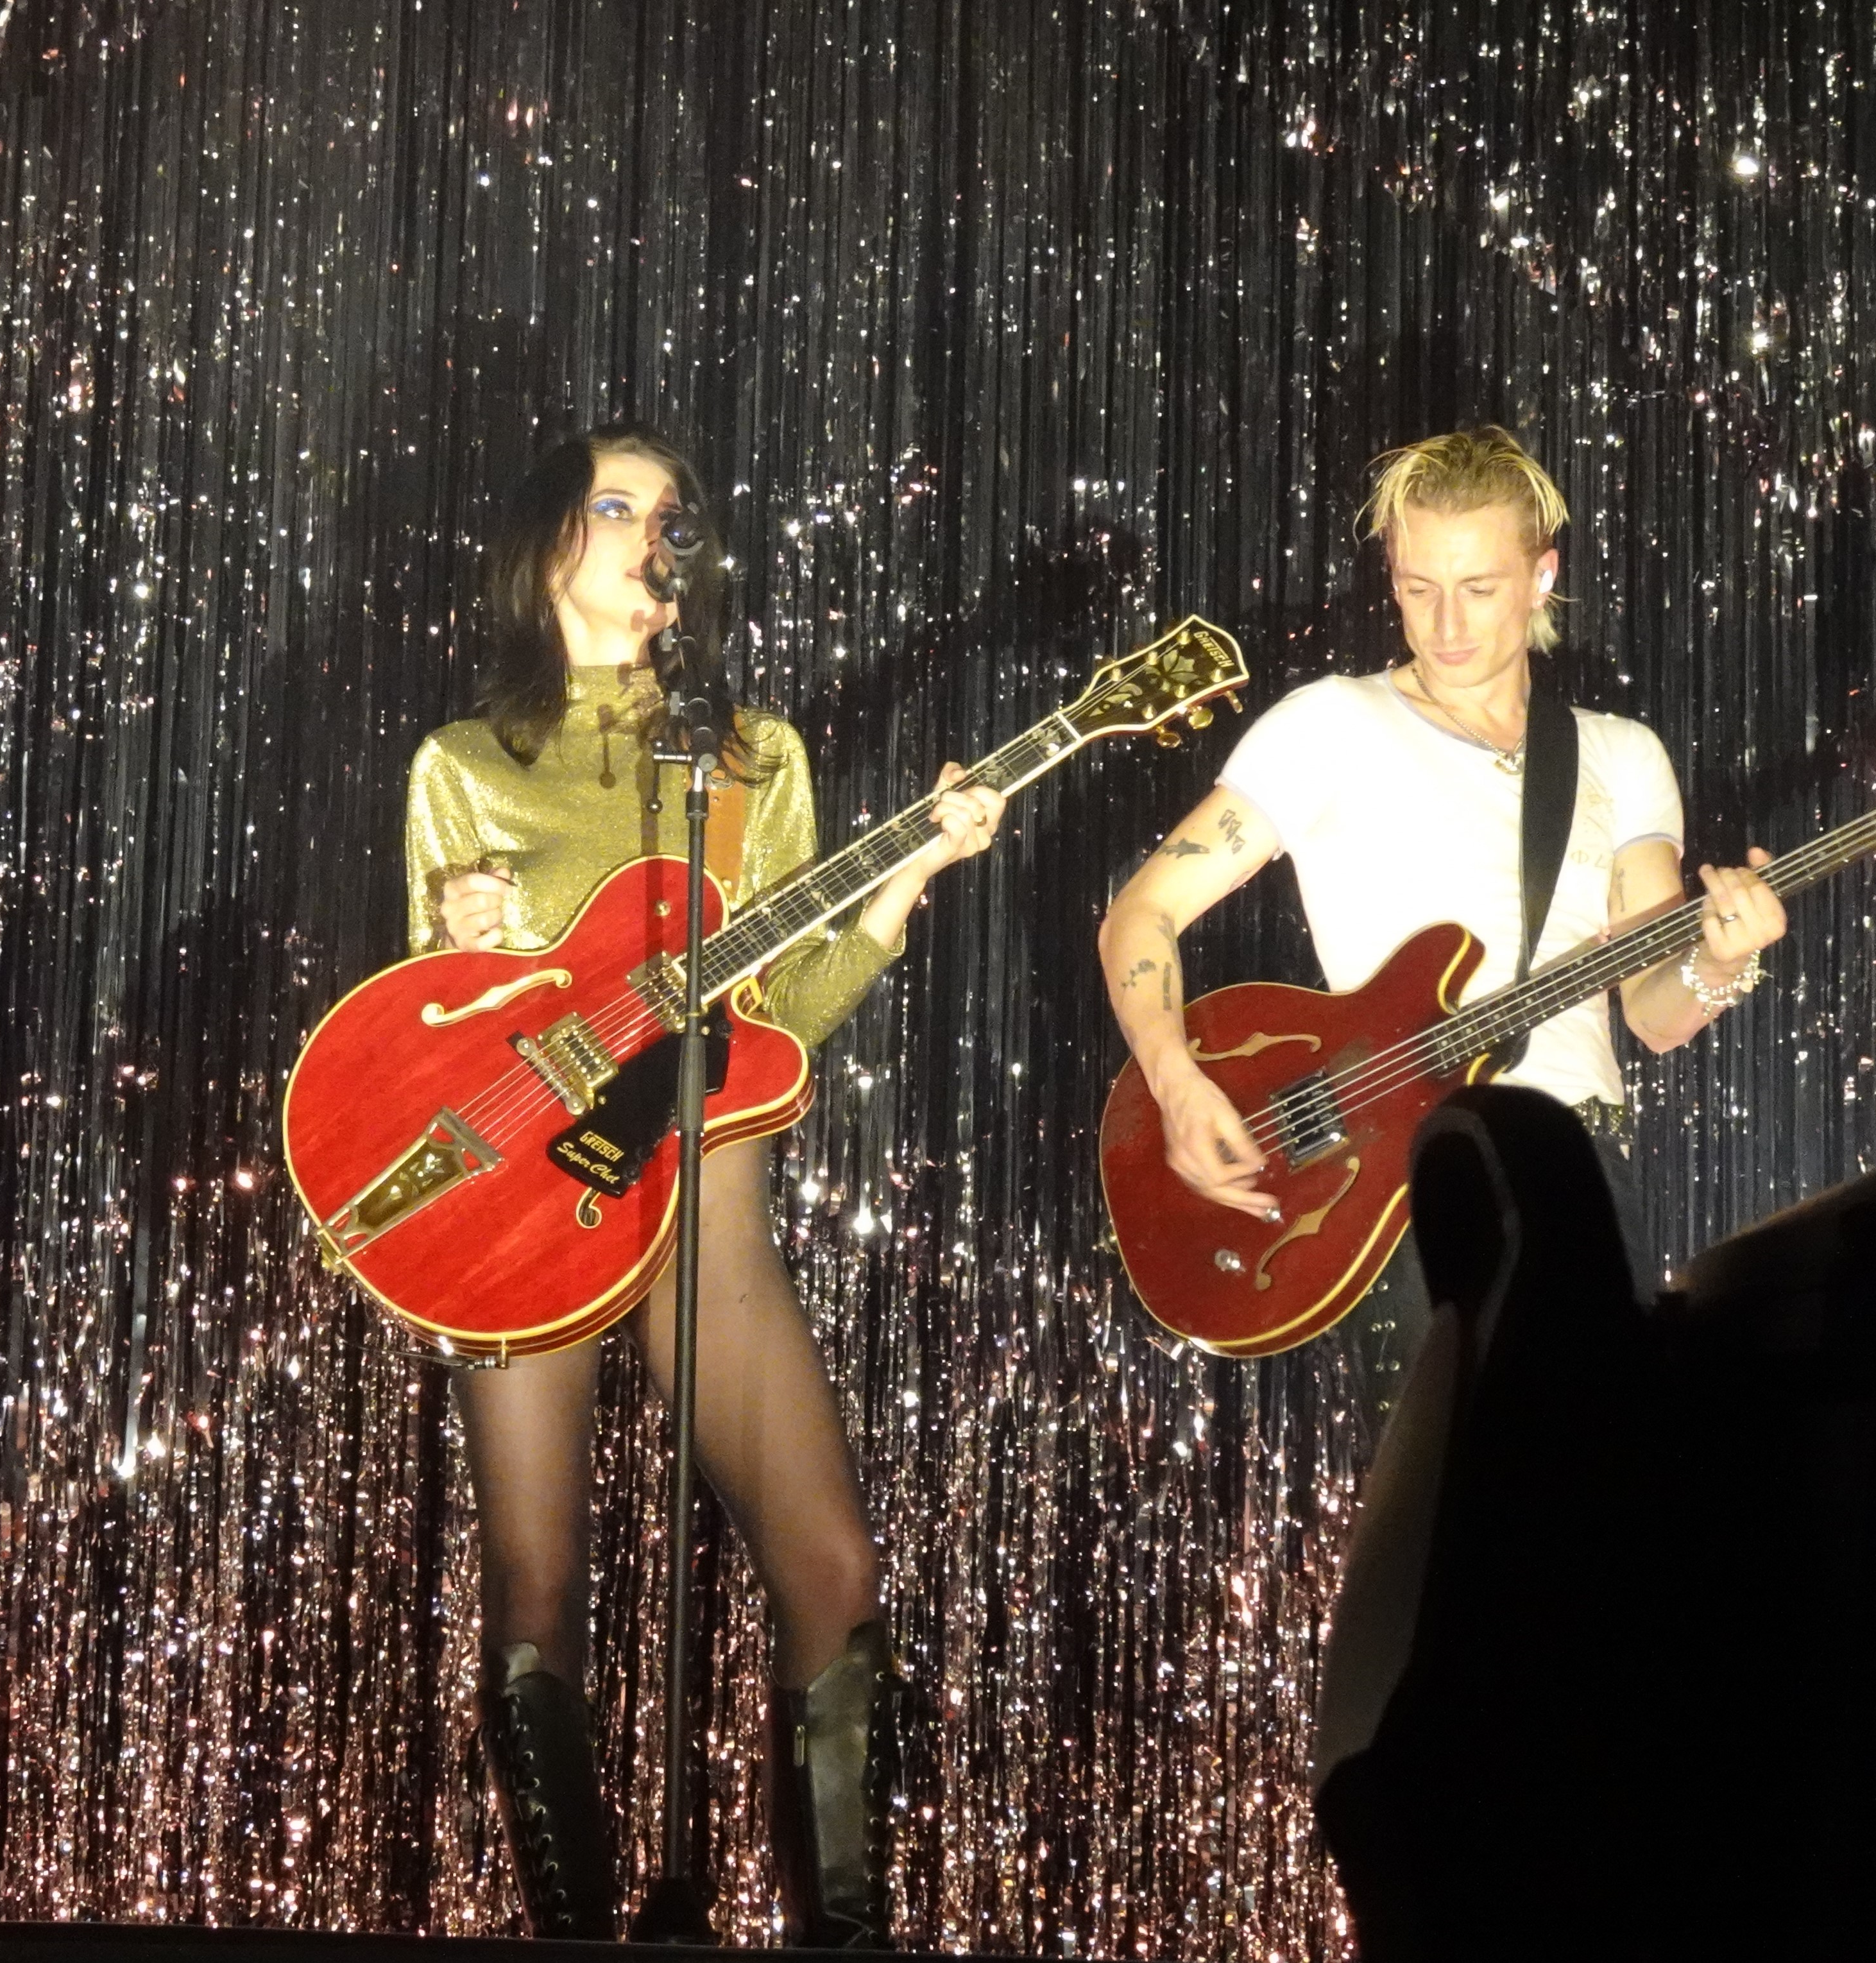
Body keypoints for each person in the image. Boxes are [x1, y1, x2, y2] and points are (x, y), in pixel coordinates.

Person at [407, 424, 1003, 1944]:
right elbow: (422, 1050)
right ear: (549, 539)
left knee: (832, 1564)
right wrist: (456, 950)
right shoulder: (462, 766)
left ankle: (838, 1934)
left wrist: (903, 886)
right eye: (617, 504)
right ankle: (575, 1938)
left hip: (707, 1191)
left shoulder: (751, 756)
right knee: (533, 1589)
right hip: (521, 1203)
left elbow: (777, 1019)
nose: (649, 530)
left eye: (669, 512)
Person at [1095, 425, 1789, 1413]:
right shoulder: (1331, 724)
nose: (1445, 623)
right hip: (1409, 1169)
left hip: (1581, 1166)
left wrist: (1722, 962)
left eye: (1478, 588)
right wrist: (1175, 1083)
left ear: (1541, 576)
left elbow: (1652, 1014)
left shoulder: (1619, 755)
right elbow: (1141, 912)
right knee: (1458, 1484)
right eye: (1418, 588)